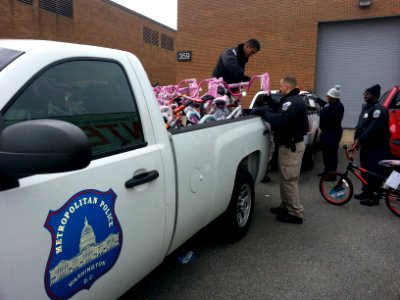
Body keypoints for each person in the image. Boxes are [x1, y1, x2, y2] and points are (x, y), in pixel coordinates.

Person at [252, 75, 308, 224]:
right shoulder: (291, 100)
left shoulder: (293, 102)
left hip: (291, 147)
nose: (280, 88)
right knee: (285, 178)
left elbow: (281, 119)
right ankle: (286, 206)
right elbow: (280, 110)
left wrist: (263, 112)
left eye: (281, 86)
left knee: (289, 179)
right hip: (287, 146)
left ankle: (296, 213)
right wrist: (269, 101)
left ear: (288, 87)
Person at [353, 84, 391, 206]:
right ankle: (366, 191)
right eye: (364, 93)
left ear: (375, 96)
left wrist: (360, 140)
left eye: (367, 93)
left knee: (374, 172)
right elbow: (360, 125)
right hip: (366, 146)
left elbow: (372, 129)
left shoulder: (379, 110)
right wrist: (356, 139)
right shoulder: (366, 108)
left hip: (377, 147)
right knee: (365, 170)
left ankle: (374, 198)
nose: (365, 95)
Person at [316, 85, 344, 178]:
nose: (327, 97)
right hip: (327, 133)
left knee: (331, 154)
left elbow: (330, 117)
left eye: (328, 96)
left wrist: (321, 112)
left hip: (333, 134)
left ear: (334, 98)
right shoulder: (332, 104)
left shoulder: (339, 106)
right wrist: (317, 99)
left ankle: (332, 175)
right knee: (326, 154)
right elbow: (325, 104)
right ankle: (327, 172)